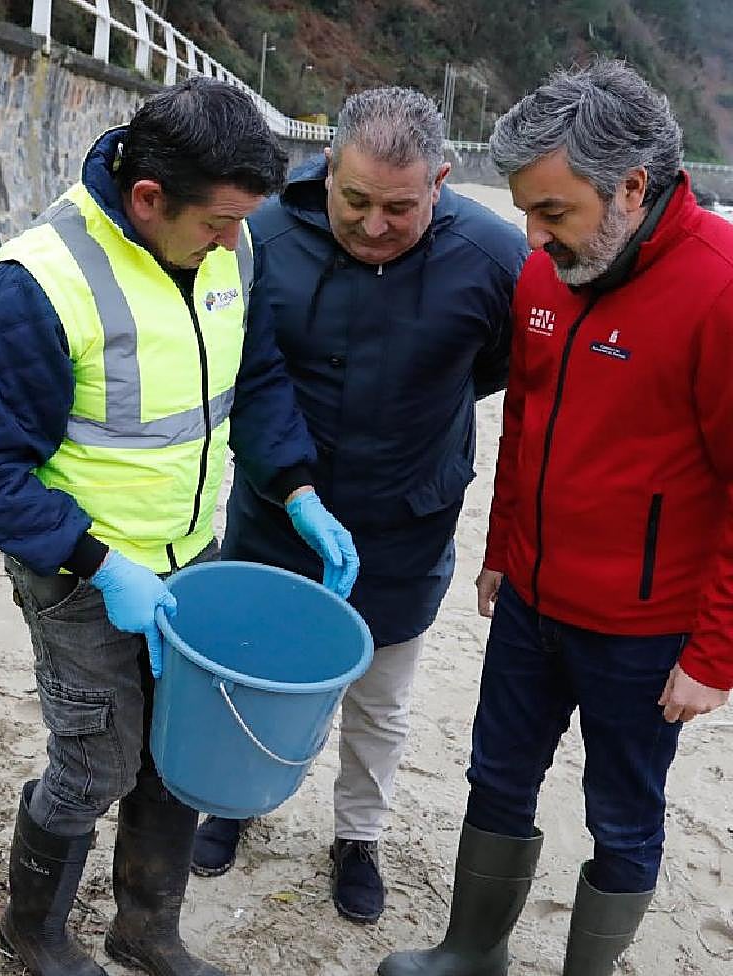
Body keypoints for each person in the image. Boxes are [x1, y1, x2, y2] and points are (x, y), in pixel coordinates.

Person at [0, 77, 357, 976]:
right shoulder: (41, 283)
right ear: (147, 199)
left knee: (181, 752)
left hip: (189, 558)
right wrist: (94, 561)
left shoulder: (226, 248)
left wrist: (296, 489)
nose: (232, 239)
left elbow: (254, 376)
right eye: (217, 222)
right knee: (96, 763)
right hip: (81, 576)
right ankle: (33, 927)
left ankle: (144, 927)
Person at [377, 60, 733, 976]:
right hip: (532, 600)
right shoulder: (548, 275)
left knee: (624, 815)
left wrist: (713, 655)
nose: (531, 235)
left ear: (629, 187)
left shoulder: (717, 291)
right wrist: (499, 551)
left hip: (647, 630)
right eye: (526, 209)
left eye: (552, 211)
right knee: (497, 773)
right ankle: (471, 945)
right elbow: (524, 421)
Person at [190, 87, 528, 923]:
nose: (375, 225)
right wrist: (289, 483)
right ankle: (232, 803)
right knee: (254, 670)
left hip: (406, 522)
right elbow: (245, 373)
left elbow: (499, 371)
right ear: (326, 169)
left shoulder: (493, 259)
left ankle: (359, 836)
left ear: (442, 182)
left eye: (401, 208)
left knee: (380, 700)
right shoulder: (260, 238)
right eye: (357, 201)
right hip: (277, 509)